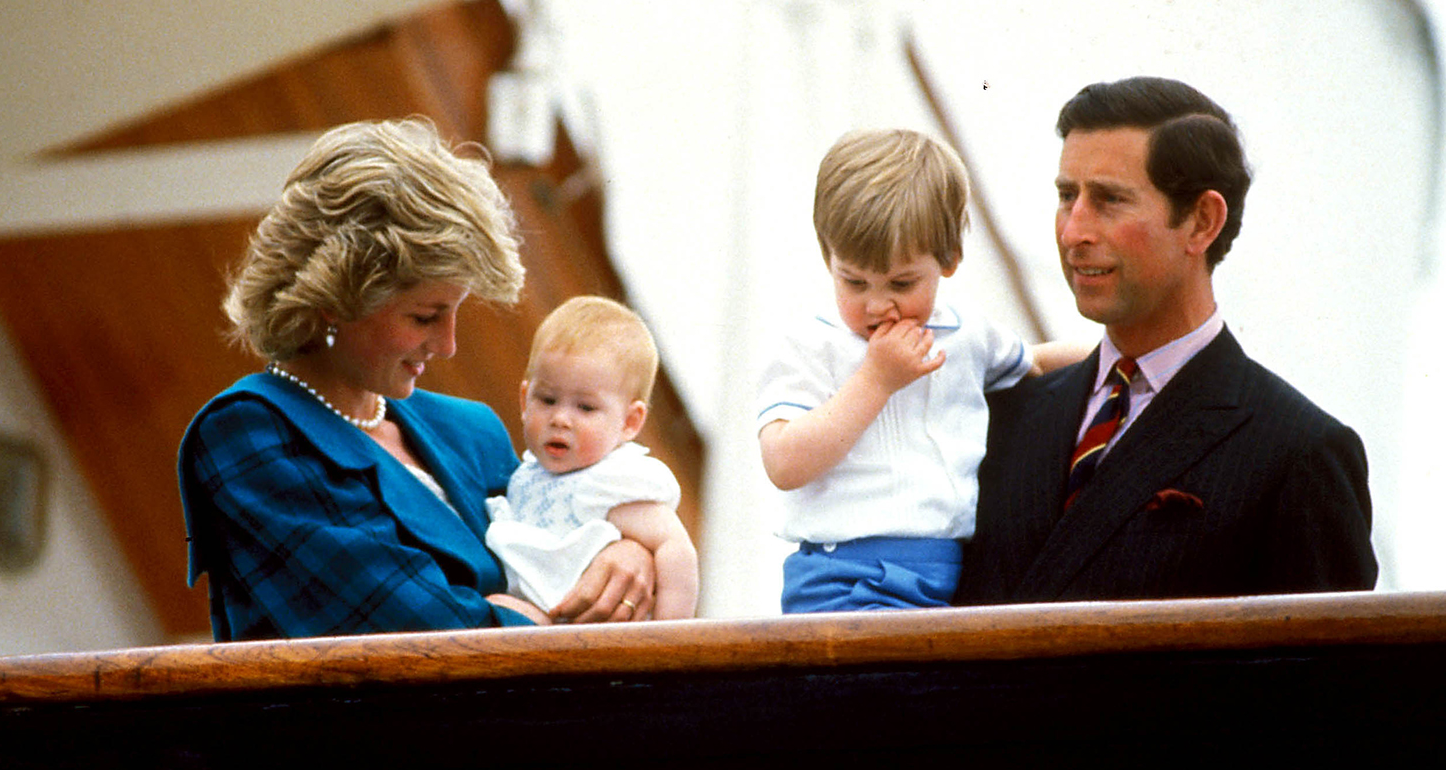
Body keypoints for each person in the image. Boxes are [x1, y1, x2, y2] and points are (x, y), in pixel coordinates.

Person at [177, 117, 655, 641]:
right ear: (337, 298)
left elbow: (569, 548)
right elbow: (400, 627)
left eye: (456, 313)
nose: (448, 345)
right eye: (425, 317)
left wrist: (629, 550)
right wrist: (529, 619)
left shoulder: (472, 430)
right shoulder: (249, 432)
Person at [955, 77, 1377, 604]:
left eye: (1109, 200)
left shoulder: (1296, 453)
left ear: (1202, 222)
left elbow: (1333, 681)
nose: (1072, 232)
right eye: (1068, 196)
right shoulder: (1004, 415)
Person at [756, 128, 1081, 614]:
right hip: (846, 575)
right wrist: (875, 381)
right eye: (854, 281)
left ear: (949, 260)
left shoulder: (967, 331)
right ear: (828, 256)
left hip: (953, 572)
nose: (878, 304)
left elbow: (1033, 361)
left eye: (902, 282)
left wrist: (1125, 353)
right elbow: (783, 463)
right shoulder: (812, 344)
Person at [484, 295, 699, 621]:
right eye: (547, 399)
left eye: (585, 408)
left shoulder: (610, 481)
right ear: (524, 399)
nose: (561, 419)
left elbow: (676, 549)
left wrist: (668, 642)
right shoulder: (526, 474)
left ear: (630, 422)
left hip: (592, 631)